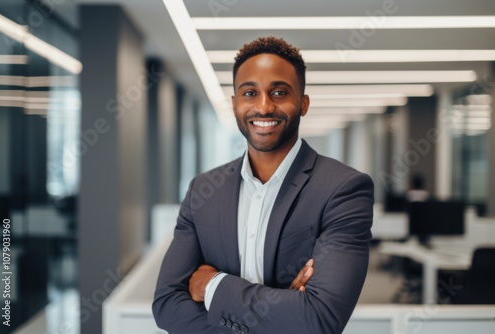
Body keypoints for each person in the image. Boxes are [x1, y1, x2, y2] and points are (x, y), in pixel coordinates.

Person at [152, 36, 374, 334]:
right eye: (249, 93)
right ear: (235, 104)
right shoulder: (203, 192)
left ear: (303, 103)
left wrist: (214, 285)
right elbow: (167, 306)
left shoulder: (343, 189)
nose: (264, 106)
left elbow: (319, 319)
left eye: (279, 92)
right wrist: (283, 311)